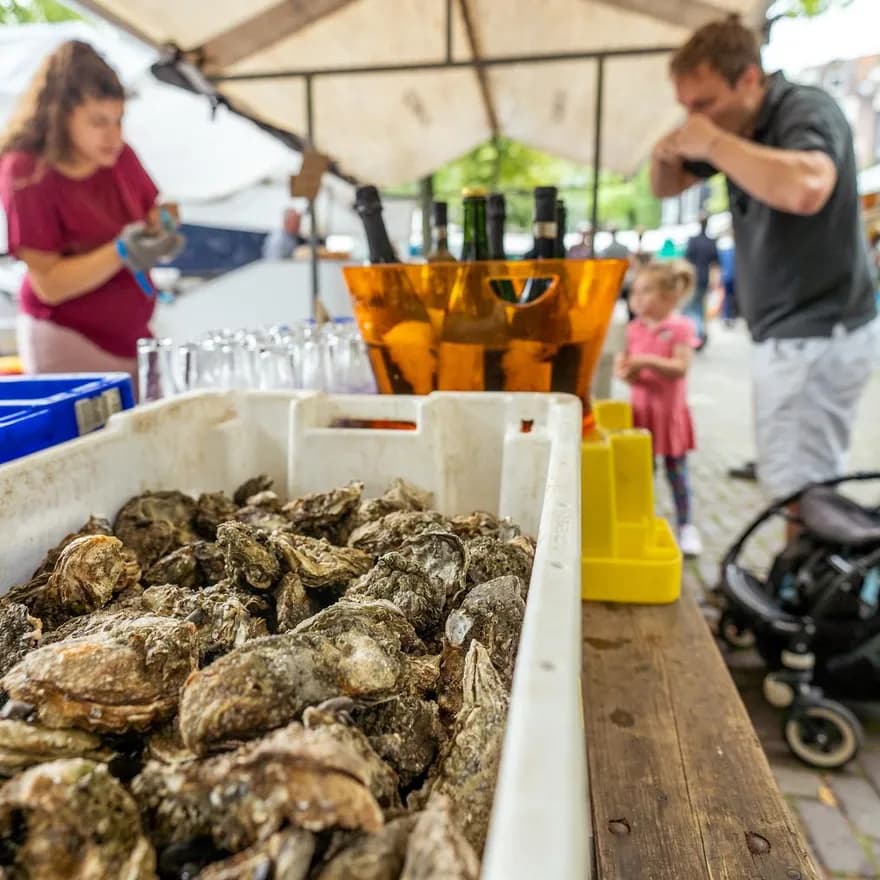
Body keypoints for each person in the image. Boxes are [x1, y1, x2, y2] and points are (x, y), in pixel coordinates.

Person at [650, 16, 876, 518]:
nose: (695, 117)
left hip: (818, 330)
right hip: (790, 332)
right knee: (792, 480)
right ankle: (800, 579)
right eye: (686, 106)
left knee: (803, 487)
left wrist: (709, 142)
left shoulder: (803, 110)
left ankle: (804, 588)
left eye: (704, 103)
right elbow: (665, 187)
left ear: (749, 78)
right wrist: (667, 150)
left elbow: (805, 187)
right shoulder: (737, 126)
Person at [0, 41, 183, 387]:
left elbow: (153, 210)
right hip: (69, 341)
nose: (114, 136)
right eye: (98, 122)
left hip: (135, 337)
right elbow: (50, 285)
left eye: (119, 120)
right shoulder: (26, 171)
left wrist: (162, 225)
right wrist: (120, 251)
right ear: (58, 115)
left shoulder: (117, 155)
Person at [615, 260, 702, 556]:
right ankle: (644, 520)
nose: (637, 298)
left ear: (669, 296)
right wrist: (627, 371)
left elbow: (680, 367)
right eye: (634, 292)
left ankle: (686, 525)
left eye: (646, 291)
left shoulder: (679, 328)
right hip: (641, 414)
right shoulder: (632, 329)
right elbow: (622, 366)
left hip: (669, 415)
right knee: (643, 473)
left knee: (677, 472)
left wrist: (646, 363)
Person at [683, 213, 719, 349]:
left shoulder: (693, 241)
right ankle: (699, 333)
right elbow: (715, 264)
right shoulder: (711, 242)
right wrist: (714, 281)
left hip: (693, 278)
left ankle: (697, 334)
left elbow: (687, 261)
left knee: (691, 307)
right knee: (699, 306)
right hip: (705, 278)